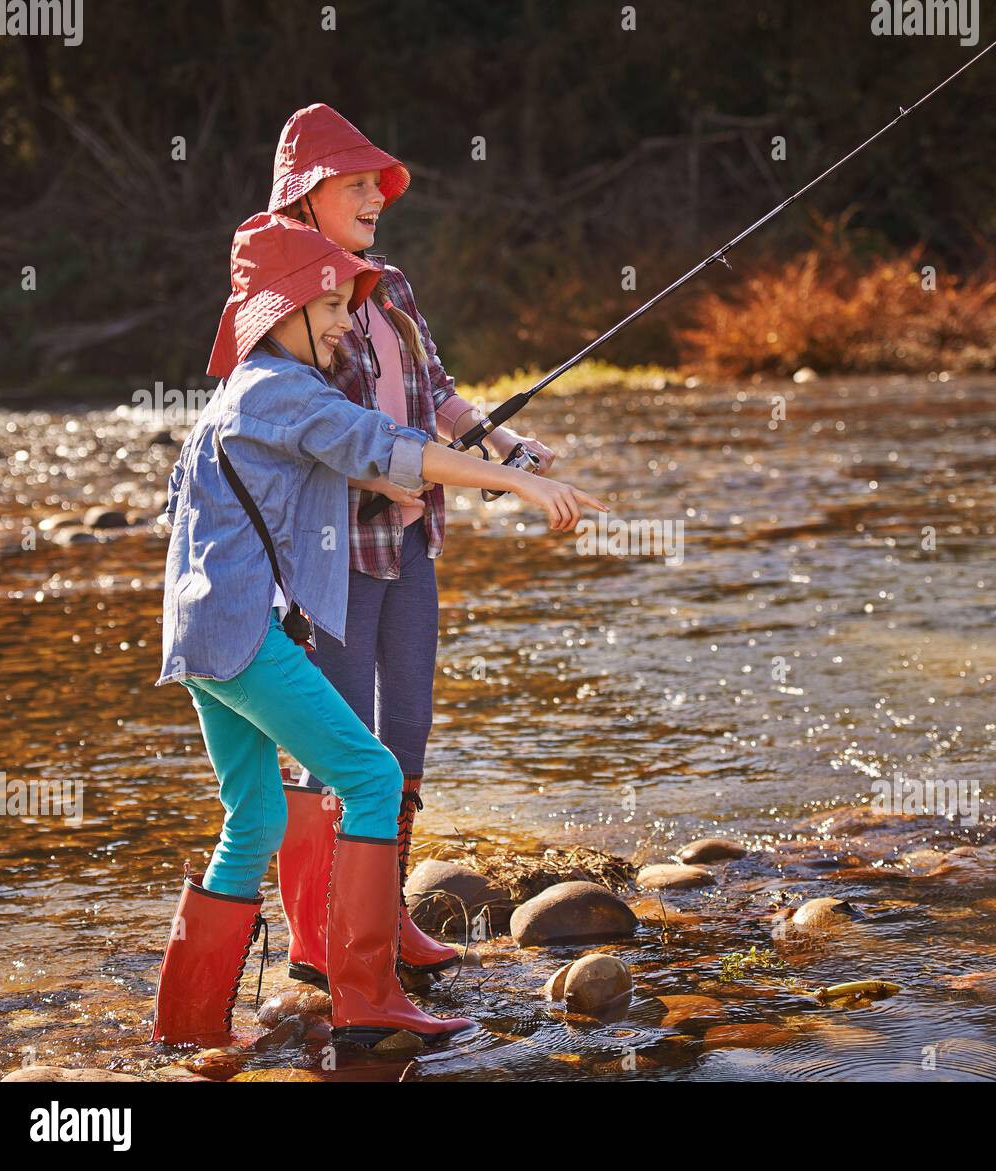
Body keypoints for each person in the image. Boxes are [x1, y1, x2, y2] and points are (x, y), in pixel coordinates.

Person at [151, 212, 607, 1049]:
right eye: (326, 306)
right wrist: (519, 482)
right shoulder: (286, 391)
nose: (339, 321)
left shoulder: (238, 391)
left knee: (251, 819)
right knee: (369, 774)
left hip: (201, 636)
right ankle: (367, 995)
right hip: (246, 636)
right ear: (278, 311)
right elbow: (392, 446)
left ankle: (185, 1032)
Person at [265, 104, 560, 987]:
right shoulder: (284, 299)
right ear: (306, 197)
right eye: (355, 185)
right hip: (337, 555)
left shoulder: (389, 284)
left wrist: (507, 445)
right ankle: (326, 940)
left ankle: (382, 916)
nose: (373, 199)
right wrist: (374, 475)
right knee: (341, 743)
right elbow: (296, 429)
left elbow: (437, 392)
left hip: (414, 541)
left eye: (376, 186)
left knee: (407, 734)